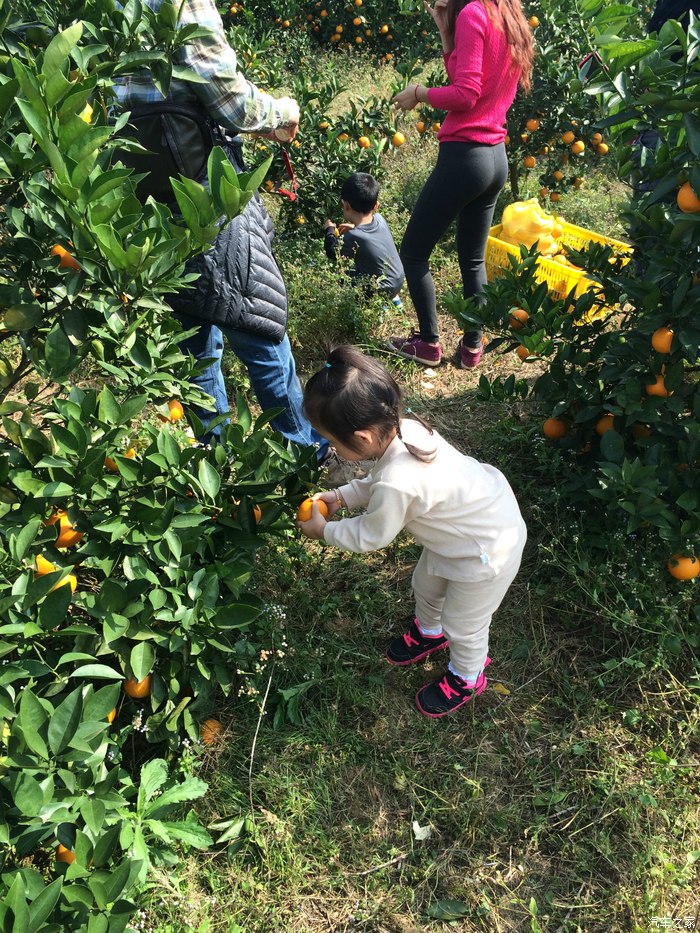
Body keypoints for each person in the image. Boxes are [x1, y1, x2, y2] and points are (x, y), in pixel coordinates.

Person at [113, 0, 331, 463]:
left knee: (191, 328)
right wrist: (281, 112)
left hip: (142, 200)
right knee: (258, 320)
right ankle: (300, 457)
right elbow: (232, 101)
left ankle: (215, 463)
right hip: (208, 193)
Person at [297, 346, 527, 718]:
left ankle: (468, 676)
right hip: (462, 533)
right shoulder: (406, 430)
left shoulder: (399, 483)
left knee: (464, 624)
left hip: (486, 553)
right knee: (426, 585)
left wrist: (324, 531)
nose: (333, 448)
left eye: (333, 441)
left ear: (363, 437)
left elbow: (371, 535)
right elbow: (377, 481)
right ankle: (429, 632)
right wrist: (341, 496)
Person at [387, 0, 534, 369]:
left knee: (414, 252)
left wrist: (419, 92)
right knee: (471, 258)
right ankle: (471, 348)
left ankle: (427, 342)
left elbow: (465, 92)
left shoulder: (473, 13)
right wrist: (444, 30)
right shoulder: (506, 14)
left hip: (466, 156)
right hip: (495, 156)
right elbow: (470, 78)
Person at [322, 172, 405, 303]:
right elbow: (369, 234)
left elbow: (332, 252)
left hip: (382, 288)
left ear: (346, 205)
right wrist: (354, 227)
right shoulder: (379, 219)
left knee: (343, 279)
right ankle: (394, 299)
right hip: (398, 279)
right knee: (363, 270)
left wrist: (330, 230)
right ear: (376, 205)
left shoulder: (353, 236)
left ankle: (380, 304)